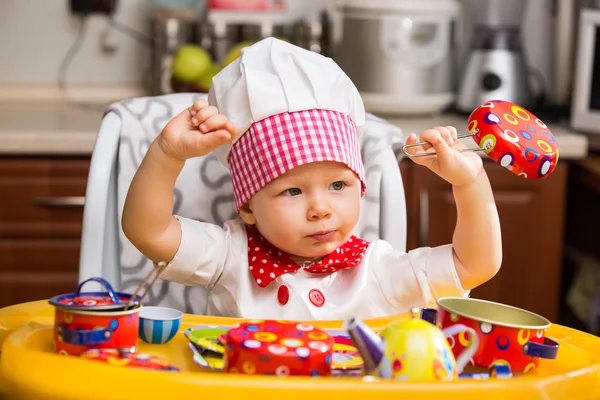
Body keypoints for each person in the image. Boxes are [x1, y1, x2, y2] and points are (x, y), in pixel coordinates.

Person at [122, 37, 502, 320]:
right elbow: (149, 232)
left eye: (338, 185)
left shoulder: (377, 269)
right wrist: (167, 155)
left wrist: (469, 183)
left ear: (360, 185)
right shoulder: (230, 257)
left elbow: (474, 264)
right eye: (292, 190)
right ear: (248, 205)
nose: (320, 208)